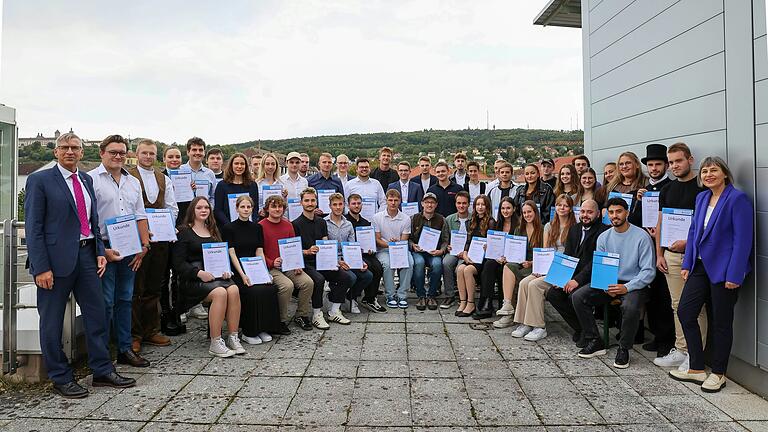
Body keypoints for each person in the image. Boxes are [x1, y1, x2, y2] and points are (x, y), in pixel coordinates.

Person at [26, 132, 135, 398]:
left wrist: (99, 251)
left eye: (75, 147)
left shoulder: (85, 180)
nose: (70, 152)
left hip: (87, 257)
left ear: (82, 152)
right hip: (54, 262)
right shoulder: (40, 180)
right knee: (51, 323)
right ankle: (60, 376)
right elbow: (33, 227)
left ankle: (101, 370)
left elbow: (92, 222)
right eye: (65, 147)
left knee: (97, 315)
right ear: (56, 151)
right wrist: (41, 267)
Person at [669, 157, 753, 393]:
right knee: (685, 311)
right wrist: (687, 262)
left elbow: (743, 240)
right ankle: (696, 367)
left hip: (725, 270)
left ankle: (719, 373)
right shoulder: (702, 197)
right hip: (699, 266)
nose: (708, 174)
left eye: (713, 170)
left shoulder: (737, 199)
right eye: (704, 171)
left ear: (725, 174)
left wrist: (735, 274)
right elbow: (694, 230)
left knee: (721, 323)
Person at [88, 135, 151, 368]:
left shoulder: (132, 182)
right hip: (103, 248)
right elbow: (87, 220)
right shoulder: (90, 180)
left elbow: (140, 215)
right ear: (101, 153)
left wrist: (144, 246)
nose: (118, 156)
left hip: (129, 246)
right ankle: (103, 355)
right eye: (113, 152)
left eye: (122, 152)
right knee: (105, 302)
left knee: (125, 299)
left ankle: (125, 349)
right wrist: (101, 250)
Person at [573, 197, 655, 369]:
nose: (615, 215)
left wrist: (626, 287)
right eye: (611, 212)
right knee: (579, 296)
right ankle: (595, 340)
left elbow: (648, 271)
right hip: (609, 282)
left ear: (627, 213)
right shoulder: (604, 237)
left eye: (619, 211)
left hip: (634, 283)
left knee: (630, 307)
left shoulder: (641, 236)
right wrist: (606, 285)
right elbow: (601, 266)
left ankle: (624, 348)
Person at [653, 143, 707, 371]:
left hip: (697, 256)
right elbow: (660, 223)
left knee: (696, 307)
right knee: (677, 305)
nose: (675, 165)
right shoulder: (667, 190)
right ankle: (682, 349)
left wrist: (689, 242)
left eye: (679, 161)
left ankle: (695, 356)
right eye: (672, 162)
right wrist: (659, 253)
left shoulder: (703, 188)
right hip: (672, 257)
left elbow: (708, 225)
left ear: (690, 160)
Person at [172, 197, 245, 358]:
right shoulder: (183, 231)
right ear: (192, 211)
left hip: (216, 276)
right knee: (220, 293)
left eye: (206, 207)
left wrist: (226, 270)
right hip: (193, 278)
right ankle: (215, 342)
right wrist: (199, 273)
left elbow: (221, 255)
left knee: (233, 289)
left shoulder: (213, 230)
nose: (204, 210)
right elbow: (178, 263)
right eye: (199, 208)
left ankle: (233, 337)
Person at [128, 139, 177, 353]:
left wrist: (165, 228)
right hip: (136, 241)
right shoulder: (128, 177)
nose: (148, 157)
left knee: (154, 286)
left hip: (159, 240)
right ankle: (134, 334)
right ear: (137, 154)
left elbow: (172, 208)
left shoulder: (163, 178)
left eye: (151, 153)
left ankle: (151, 330)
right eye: (144, 153)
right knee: (136, 287)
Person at [507, 194, 576, 340]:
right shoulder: (550, 226)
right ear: (555, 207)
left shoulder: (575, 228)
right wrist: (540, 268)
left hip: (564, 269)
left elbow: (572, 255)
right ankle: (524, 323)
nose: (562, 208)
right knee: (525, 283)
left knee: (534, 285)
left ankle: (539, 326)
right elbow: (546, 251)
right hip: (550, 266)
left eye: (565, 205)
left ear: (570, 209)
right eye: (559, 205)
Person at [630, 144, 674, 360]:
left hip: (663, 250)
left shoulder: (671, 187)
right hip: (644, 250)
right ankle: (657, 335)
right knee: (652, 297)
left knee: (664, 296)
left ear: (666, 165)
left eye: (658, 164)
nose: (654, 168)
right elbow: (634, 222)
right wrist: (639, 203)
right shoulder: (645, 189)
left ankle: (667, 340)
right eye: (650, 165)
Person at [222, 195, 284, 344]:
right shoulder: (229, 228)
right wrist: (243, 275)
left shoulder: (257, 227)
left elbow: (259, 251)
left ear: (252, 209)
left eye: (248, 207)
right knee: (252, 291)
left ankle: (263, 328)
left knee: (269, 288)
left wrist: (265, 272)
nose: (245, 209)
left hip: (255, 267)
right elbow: (232, 253)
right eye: (242, 207)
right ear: (236, 208)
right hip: (238, 270)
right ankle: (249, 331)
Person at [545, 199, 609, 345]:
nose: (585, 215)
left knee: (574, 295)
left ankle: (591, 335)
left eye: (590, 212)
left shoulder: (603, 232)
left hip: (593, 277)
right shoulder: (574, 229)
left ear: (598, 214)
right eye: (583, 211)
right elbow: (568, 256)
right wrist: (561, 278)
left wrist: (577, 280)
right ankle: (581, 329)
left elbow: (595, 262)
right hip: (574, 276)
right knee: (553, 294)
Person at [292, 188, 356, 329]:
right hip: (306, 263)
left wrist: (336, 261)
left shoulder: (321, 222)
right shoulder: (296, 224)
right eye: (307, 200)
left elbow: (326, 244)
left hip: (322, 261)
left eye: (312, 200)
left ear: (316, 202)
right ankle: (317, 314)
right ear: (301, 202)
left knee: (345, 277)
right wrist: (307, 251)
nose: (310, 203)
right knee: (319, 279)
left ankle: (334, 311)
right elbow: (294, 250)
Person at [259, 195, 314, 331]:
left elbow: (293, 247)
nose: (277, 209)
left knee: (308, 282)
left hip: (289, 265)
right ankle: (280, 320)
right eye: (274, 206)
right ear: (267, 209)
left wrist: (297, 264)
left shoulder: (288, 225)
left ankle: (301, 315)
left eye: (280, 207)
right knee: (287, 286)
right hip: (270, 267)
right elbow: (258, 251)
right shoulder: (260, 226)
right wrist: (271, 262)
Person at [324, 193, 374, 314]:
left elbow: (352, 246)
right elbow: (325, 248)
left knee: (367, 275)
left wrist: (360, 262)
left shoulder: (348, 224)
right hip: (331, 260)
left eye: (340, 204)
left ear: (344, 205)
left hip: (347, 258)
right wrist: (338, 262)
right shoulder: (323, 222)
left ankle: (350, 297)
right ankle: (333, 297)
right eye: (334, 205)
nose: (338, 207)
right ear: (330, 206)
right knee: (351, 277)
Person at [496, 200, 543, 319]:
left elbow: (545, 254)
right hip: (521, 263)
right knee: (508, 266)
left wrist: (531, 263)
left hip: (536, 266)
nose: (527, 215)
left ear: (535, 212)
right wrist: (507, 256)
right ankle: (507, 304)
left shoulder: (542, 230)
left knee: (514, 272)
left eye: (529, 212)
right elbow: (515, 250)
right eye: (524, 213)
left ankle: (513, 314)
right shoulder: (519, 229)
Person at [475, 196, 519, 319]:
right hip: (498, 258)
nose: (505, 211)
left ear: (514, 209)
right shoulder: (497, 224)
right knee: (489, 264)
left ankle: (500, 302)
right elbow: (494, 245)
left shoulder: (519, 225)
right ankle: (486, 301)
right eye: (503, 208)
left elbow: (519, 248)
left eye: (508, 208)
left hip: (513, 260)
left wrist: (508, 258)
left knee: (501, 268)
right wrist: (488, 248)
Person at [454, 195, 495, 317]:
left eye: (483, 205)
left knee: (468, 270)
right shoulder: (473, 220)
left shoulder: (491, 222)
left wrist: (488, 247)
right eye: (478, 205)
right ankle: (463, 302)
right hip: (472, 256)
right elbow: (468, 241)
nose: (480, 207)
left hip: (483, 259)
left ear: (487, 207)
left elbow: (494, 244)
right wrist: (465, 253)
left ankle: (471, 303)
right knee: (460, 269)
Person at [160, 146, 186, 336]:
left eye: (177, 156)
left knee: (178, 274)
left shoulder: (187, 178)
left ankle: (178, 312)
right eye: (171, 156)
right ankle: (165, 314)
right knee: (163, 275)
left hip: (182, 230)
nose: (174, 159)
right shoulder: (159, 177)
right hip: (162, 232)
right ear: (164, 159)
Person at [345, 193, 386, 313]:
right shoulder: (346, 222)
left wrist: (371, 248)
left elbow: (371, 241)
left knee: (378, 267)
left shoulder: (366, 222)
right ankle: (353, 296)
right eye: (354, 203)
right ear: (348, 205)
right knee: (368, 271)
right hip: (352, 254)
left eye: (358, 203)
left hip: (366, 253)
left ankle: (370, 298)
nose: (356, 206)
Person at [373, 189, 414, 308]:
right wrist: (390, 245)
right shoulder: (377, 217)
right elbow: (378, 239)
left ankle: (402, 295)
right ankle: (390, 295)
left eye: (396, 200)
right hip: (384, 249)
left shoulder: (406, 218)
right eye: (390, 200)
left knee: (409, 263)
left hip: (401, 249)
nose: (393, 203)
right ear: (386, 201)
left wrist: (397, 245)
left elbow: (404, 239)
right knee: (388, 264)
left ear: (400, 201)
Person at [410, 192, 450, 310]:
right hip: (418, 251)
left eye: (432, 202)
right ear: (422, 203)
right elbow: (408, 238)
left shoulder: (442, 220)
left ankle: (432, 295)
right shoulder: (414, 218)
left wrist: (441, 251)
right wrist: (413, 246)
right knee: (419, 263)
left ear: (436, 204)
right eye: (427, 202)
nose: (429, 205)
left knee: (438, 264)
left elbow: (445, 240)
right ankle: (421, 295)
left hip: (434, 252)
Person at [441, 191, 471, 309]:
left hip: (467, 252)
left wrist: (465, 251)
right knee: (446, 263)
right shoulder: (449, 219)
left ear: (468, 204)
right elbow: (445, 238)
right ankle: (450, 295)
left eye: (464, 203)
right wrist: (447, 245)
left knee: (460, 268)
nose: (461, 206)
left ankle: (464, 296)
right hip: (453, 251)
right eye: (459, 203)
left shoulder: (473, 219)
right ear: (455, 204)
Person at [213, 153, 260, 228]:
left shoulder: (252, 185)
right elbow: (218, 210)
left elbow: (255, 208)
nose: (239, 166)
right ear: (231, 165)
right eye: (236, 163)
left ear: (246, 166)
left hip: (248, 228)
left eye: (242, 164)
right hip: (228, 228)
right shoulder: (222, 185)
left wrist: (252, 224)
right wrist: (230, 226)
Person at [182, 137, 217, 209]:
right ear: (188, 152)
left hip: (204, 215)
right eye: (194, 150)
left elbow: (213, 196)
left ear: (204, 153)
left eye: (200, 150)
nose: (198, 153)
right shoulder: (179, 171)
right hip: (184, 215)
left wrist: (210, 208)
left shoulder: (210, 174)